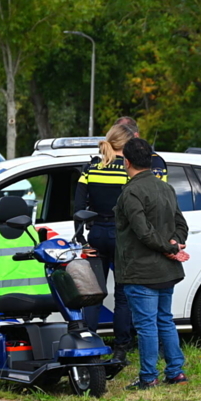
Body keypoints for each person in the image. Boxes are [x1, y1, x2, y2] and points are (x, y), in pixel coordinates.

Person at [115, 138, 189, 390]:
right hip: (166, 270)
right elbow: (182, 225)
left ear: (126, 161)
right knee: (164, 320)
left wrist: (170, 248)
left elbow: (142, 232)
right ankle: (176, 372)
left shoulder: (131, 191)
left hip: (141, 270)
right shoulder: (165, 188)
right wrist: (175, 244)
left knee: (146, 325)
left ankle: (148, 377)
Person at [72, 123, 137, 362]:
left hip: (96, 234)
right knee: (122, 295)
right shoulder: (127, 170)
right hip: (122, 236)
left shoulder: (91, 168)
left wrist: (80, 238)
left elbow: (78, 208)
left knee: (93, 293)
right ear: (126, 144)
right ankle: (121, 348)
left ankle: (88, 344)